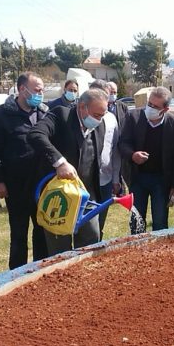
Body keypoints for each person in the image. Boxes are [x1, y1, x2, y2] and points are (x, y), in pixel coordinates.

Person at [29, 88, 109, 253]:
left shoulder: (100, 125)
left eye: (102, 115)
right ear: (82, 107)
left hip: (86, 196)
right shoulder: (61, 115)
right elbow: (36, 134)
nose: (99, 119)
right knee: (59, 248)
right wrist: (60, 162)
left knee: (91, 241)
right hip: (59, 198)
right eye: (96, 115)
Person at [0, 72, 49, 269]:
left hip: (42, 184)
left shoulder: (44, 113)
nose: (40, 94)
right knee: (19, 233)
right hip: (15, 185)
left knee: (42, 230)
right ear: (22, 89)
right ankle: (17, 273)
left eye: (42, 90)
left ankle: (40, 269)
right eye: (37, 90)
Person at [119, 87, 174, 231]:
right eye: (149, 104)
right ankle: (137, 244)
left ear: (165, 109)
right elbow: (123, 143)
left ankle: (158, 245)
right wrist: (133, 155)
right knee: (136, 220)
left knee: (160, 221)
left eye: (155, 106)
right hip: (137, 177)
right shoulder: (133, 117)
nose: (150, 108)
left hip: (161, 180)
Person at [87, 80, 122, 235]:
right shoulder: (81, 117)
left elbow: (115, 150)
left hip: (105, 179)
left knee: (99, 224)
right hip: (85, 181)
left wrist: (115, 179)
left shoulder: (111, 119)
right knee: (86, 226)